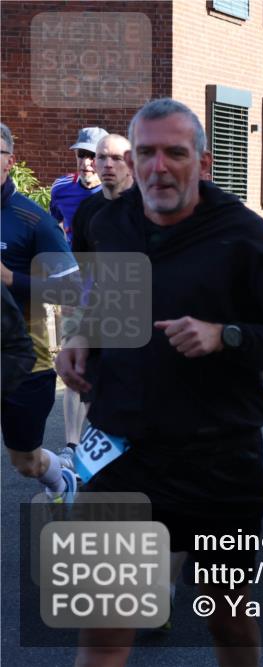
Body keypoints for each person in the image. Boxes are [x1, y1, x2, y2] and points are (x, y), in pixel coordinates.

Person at [56, 99, 263, 665]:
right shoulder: (108, 223)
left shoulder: (244, 235)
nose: (158, 167)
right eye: (145, 153)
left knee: (225, 617)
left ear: (202, 163)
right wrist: (81, 336)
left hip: (218, 462)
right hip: (122, 453)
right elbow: (108, 302)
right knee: (103, 630)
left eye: (175, 153)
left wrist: (225, 335)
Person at [1, 122, 80, 504]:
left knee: (25, 461)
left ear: (9, 161)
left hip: (23, 361)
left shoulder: (33, 220)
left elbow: (71, 288)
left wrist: (12, 279)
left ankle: (60, 480)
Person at [56, 133, 136, 472]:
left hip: (137, 308)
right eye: (95, 157)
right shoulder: (86, 207)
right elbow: (82, 262)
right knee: (79, 369)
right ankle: (74, 446)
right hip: (94, 306)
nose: (101, 164)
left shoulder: (147, 205)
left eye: (112, 158)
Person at [50, 126, 108, 244]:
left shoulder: (119, 191)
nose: (85, 163)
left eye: (93, 156)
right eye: (81, 154)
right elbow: (53, 224)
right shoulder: (61, 188)